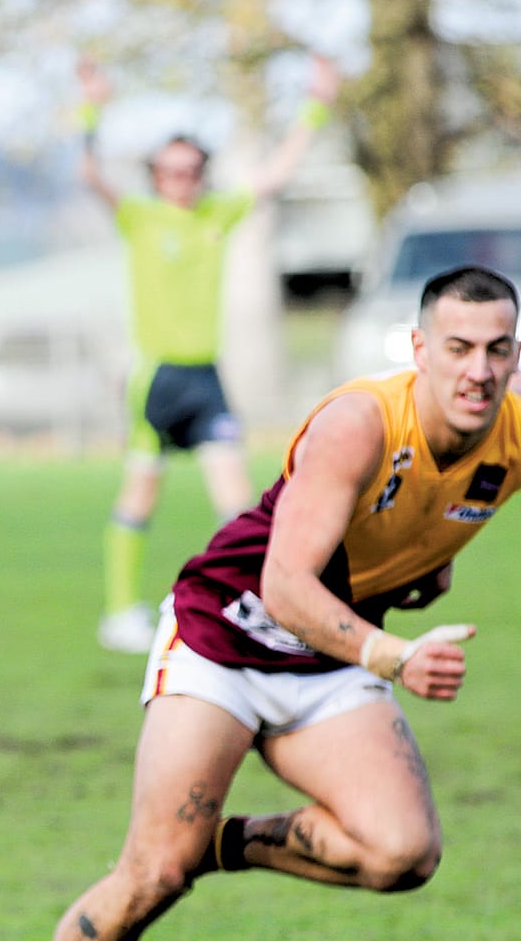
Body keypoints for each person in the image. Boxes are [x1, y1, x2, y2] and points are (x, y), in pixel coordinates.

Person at [0, 265, 521, 941]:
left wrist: (427, 560)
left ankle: (213, 844)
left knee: (405, 853)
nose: (479, 370)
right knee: (151, 872)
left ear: (519, 352)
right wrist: (396, 655)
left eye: (498, 349)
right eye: (458, 348)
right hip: (228, 631)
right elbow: (286, 584)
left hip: (329, 656)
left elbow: (454, 503)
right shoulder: (359, 424)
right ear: (417, 350)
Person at [80, 54, 342, 653]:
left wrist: (315, 104)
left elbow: (276, 173)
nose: (181, 180)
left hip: (208, 378)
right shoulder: (138, 217)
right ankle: (120, 612)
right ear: (154, 175)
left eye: (191, 170)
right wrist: (93, 106)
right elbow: (90, 171)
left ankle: (255, 604)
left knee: (237, 503)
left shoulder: (217, 213)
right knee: (139, 495)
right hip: (157, 379)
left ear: (202, 172)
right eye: (170, 171)